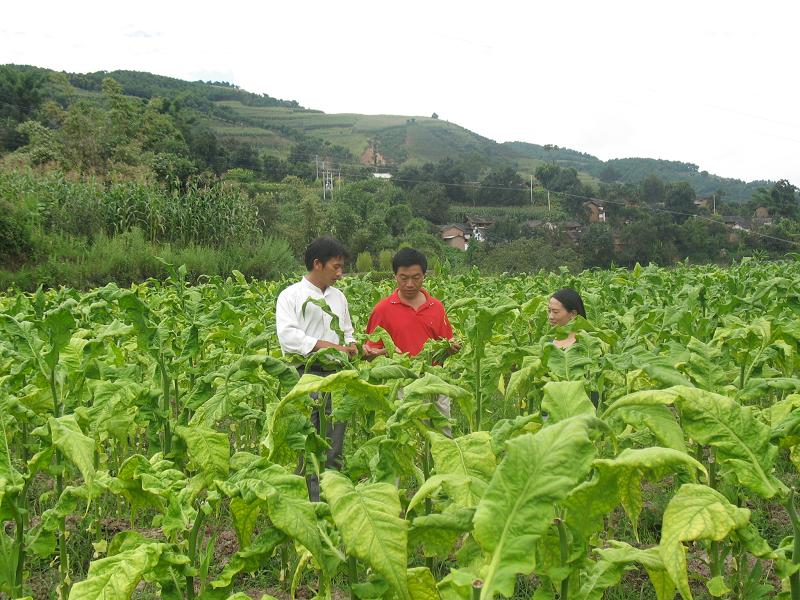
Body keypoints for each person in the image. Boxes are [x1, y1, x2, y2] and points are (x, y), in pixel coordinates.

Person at [275, 236, 356, 500]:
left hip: (336, 376)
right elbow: (289, 337)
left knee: (334, 442)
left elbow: (346, 331)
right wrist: (328, 347)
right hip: (304, 375)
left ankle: (331, 502)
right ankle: (309, 502)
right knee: (307, 441)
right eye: (336, 267)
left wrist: (353, 346)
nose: (340, 273)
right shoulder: (291, 296)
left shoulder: (338, 297)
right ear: (318, 264)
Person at [363, 248, 459, 434]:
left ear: (424, 275)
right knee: (408, 439)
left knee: (443, 436)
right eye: (403, 278)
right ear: (395, 277)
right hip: (401, 386)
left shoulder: (436, 307)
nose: (409, 284)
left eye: (416, 278)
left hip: (434, 383)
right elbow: (370, 351)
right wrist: (384, 353)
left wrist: (452, 347)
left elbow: (446, 343)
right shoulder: (382, 310)